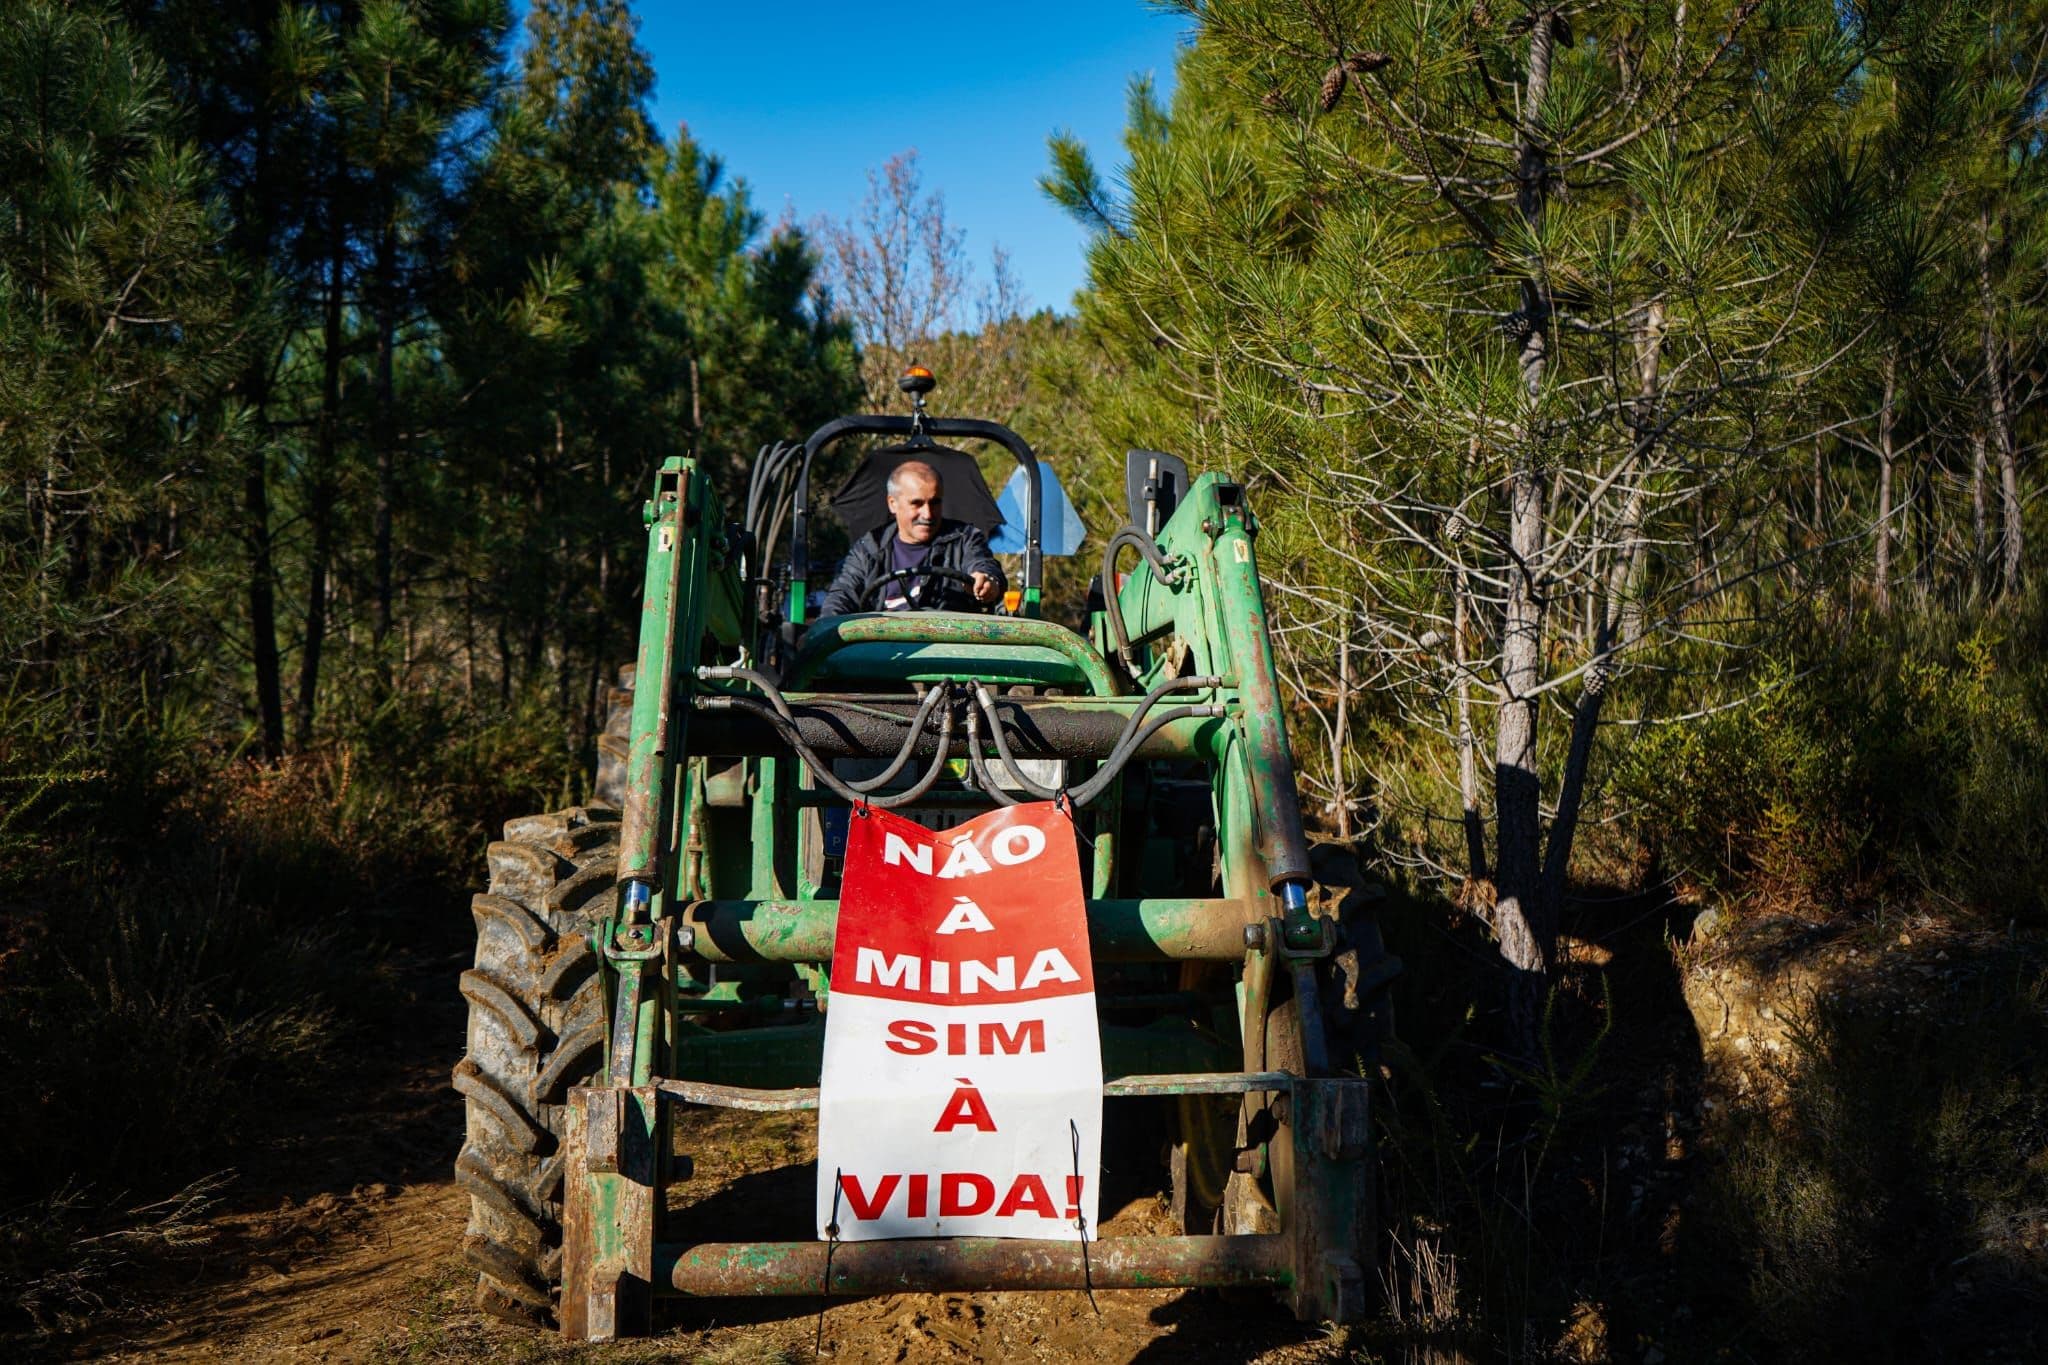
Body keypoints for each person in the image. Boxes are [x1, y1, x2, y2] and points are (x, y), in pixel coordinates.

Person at [815, 460, 1006, 617]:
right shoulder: (869, 549)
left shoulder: (964, 539)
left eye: (935, 502)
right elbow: (843, 595)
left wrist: (986, 581)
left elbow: (982, 565)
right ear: (893, 504)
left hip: (950, 649)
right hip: (884, 652)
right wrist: (824, 630)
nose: (928, 514)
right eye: (917, 503)